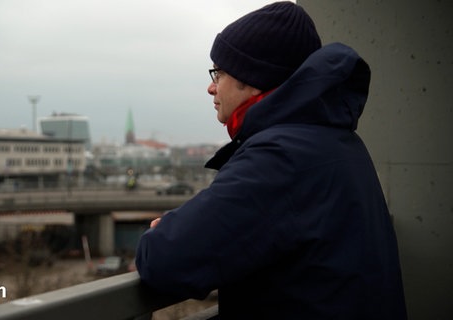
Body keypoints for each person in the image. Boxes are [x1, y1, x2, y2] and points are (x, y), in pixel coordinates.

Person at [135, 2, 407, 319]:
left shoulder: (280, 156)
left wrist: (166, 230)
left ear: (252, 79)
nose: (211, 86)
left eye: (219, 72)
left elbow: (166, 259)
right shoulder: (336, 142)